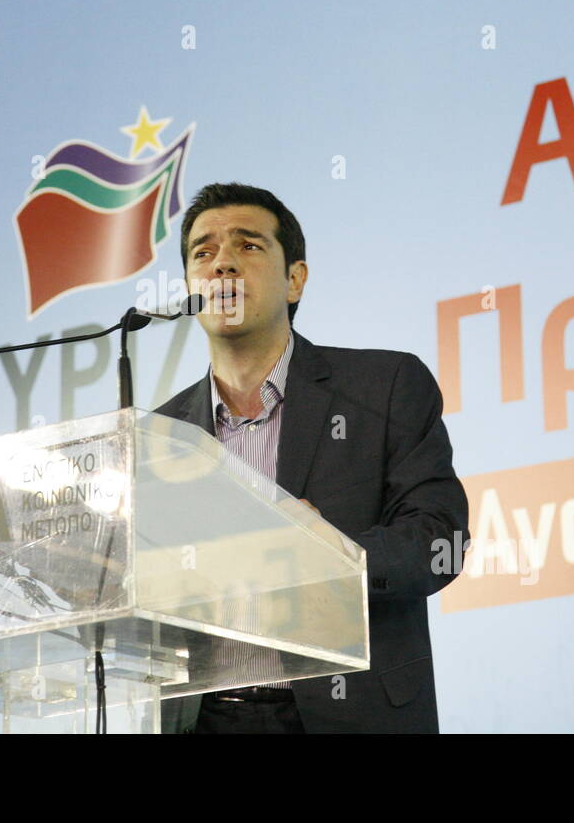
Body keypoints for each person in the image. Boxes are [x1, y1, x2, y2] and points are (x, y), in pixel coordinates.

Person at [155, 182, 470, 733]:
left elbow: (439, 540)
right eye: (203, 252)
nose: (222, 262)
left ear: (295, 278)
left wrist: (328, 555)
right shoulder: (159, 437)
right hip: (199, 721)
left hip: (348, 716)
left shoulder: (385, 387)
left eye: (248, 246)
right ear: (189, 286)